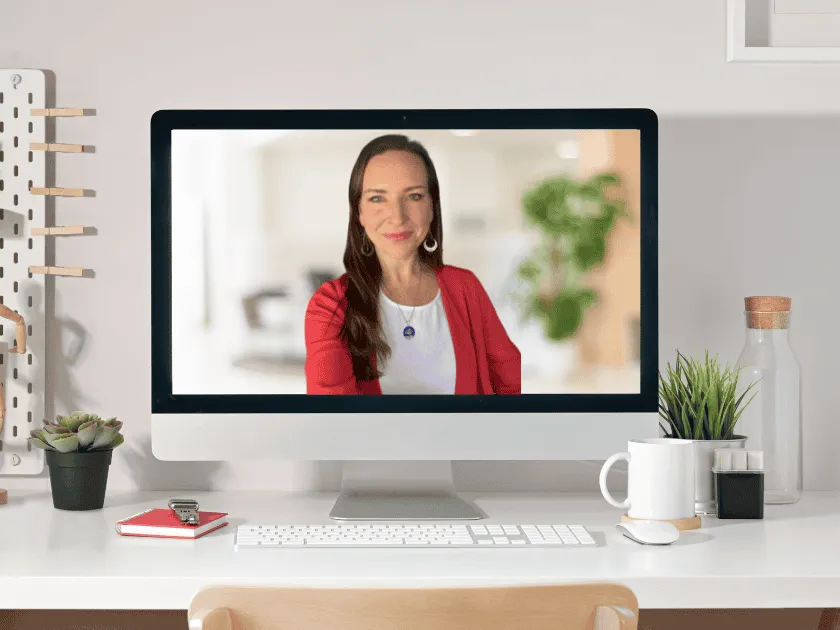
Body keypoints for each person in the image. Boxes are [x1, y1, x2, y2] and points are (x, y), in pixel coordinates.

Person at [304, 134, 520, 395]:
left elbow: (509, 384)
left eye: (414, 196)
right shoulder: (330, 304)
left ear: (432, 207)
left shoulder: (465, 288)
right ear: (358, 212)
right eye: (377, 198)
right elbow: (334, 415)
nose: (397, 217)